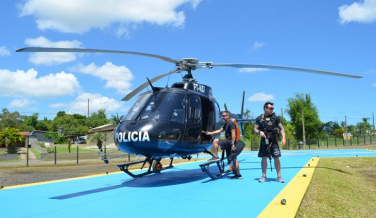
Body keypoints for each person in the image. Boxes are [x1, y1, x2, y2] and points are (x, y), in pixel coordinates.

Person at [254, 101, 286, 183]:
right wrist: (259, 132)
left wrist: (284, 138)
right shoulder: (259, 118)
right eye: (270, 108)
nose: (272, 110)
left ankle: (279, 176)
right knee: (264, 158)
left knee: (276, 157)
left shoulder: (275, 118)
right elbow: (255, 129)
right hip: (264, 141)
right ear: (265, 108)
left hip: (274, 141)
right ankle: (264, 176)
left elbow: (282, 128)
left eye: (272, 108)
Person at [206, 111, 242, 179]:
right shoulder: (226, 124)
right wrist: (211, 133)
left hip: (230, 142)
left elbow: (233, 134)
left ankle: (216, 156)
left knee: (215, 141)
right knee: (233, 158)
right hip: (230, 142)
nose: (222, 117)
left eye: (224, 116)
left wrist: (232, 144)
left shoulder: (231, 123)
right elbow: (220, 130)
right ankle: (238, 174)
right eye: (222, 116)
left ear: (228, 116)